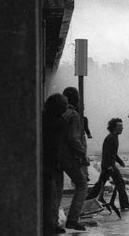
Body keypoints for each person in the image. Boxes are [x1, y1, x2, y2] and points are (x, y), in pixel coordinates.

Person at [86, 118, 129, 211]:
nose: (122, 128)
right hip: (108, 166)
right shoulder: (110, 138)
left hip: (108, 165)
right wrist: (109, 166)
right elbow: (106, 153)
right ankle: (125, 204)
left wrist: (120, 161)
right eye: (119, 126)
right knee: (120, 183)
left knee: (99, 185)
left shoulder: (114, 137)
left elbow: (113, 153)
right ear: (114, 127)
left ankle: (86, 202)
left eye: (122, 126)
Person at [58, 87, 89, 231]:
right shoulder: (74, 115)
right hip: (67, 156)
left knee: (56, 189)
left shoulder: (59, 113)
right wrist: (83, 155)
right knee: (82, 184)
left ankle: (52, 221)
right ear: (76, 100)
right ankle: (72, 220)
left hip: (55, 155)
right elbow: (73, 138)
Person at [42, 93, 68, 235]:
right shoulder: (59, 123)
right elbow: (57, 147)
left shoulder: (42, 118)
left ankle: (47, 224)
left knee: (46, 198)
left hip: (41, 163)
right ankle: (50, 225)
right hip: (52, 165)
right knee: (52, 197)